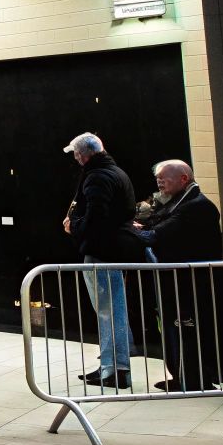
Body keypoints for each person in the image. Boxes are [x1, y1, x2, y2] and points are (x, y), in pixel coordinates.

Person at [136, 160, 223, 391]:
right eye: (158, 179)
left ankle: (193, 380)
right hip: (175, 282)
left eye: (164, 179)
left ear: (183, 178)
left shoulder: (196, 206)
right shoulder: (179, 203)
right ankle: (182, 377)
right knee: (173, 331)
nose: (159, 183)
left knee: (187, 332)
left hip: (189, 284)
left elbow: (156, 235)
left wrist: (133, 230)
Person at [63, 132, 142, 388]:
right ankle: (112, 365)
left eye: (75, 154)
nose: (75, 159)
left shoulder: (97, 177)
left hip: (102, 251)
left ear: (82, 154)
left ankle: (114, 369)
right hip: (113, 249)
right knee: (111, 309)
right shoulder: (115, 172)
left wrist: (73, 226)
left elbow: (97, 218)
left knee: (108, 310)